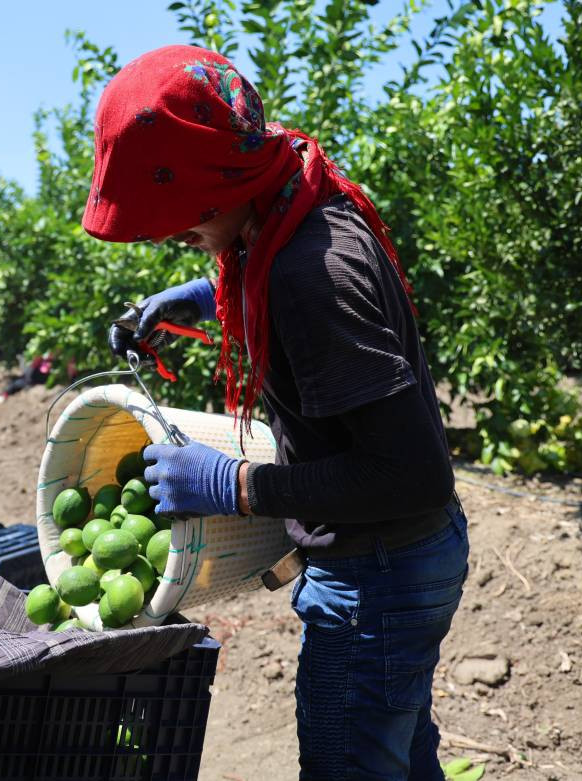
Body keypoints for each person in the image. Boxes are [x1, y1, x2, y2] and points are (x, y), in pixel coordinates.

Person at [84, 45, 469, 780]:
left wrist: (236, 484)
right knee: (395, 746)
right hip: (395, 561)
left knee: (350, 762)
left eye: (175, 215)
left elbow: (413, 473)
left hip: (378, 572)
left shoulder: (311, 276)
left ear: (211, 181)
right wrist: (202, 296)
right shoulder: (289, 191)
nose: (168, 234)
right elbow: (268, 260)